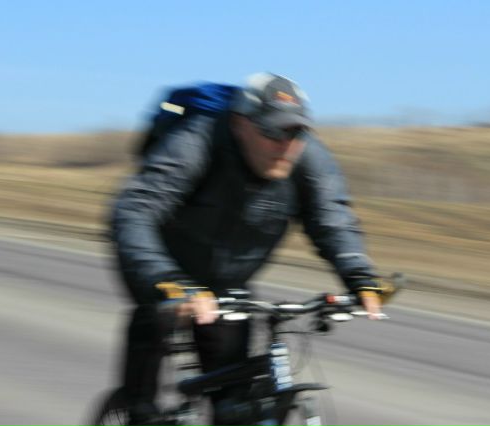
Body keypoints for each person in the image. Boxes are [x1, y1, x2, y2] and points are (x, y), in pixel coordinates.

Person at [110, 73, 383, 426]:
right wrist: (164, 280)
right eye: (272, 132)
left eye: (296, 132)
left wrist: (358, 275)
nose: (285, 144)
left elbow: (332, 218)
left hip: (228, 281)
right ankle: (138, 411)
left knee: (235, 402)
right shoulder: (197, 141)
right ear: (241, 124)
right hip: (164, 261)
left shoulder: (308, 157)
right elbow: (136, 211)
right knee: (156, 318)